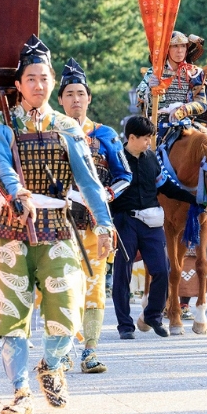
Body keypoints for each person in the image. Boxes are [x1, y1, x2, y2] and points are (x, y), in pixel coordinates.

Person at [0, 35, 114, 414]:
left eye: (44, 78)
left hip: (57, 225)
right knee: (11, 315)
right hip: (13, 225)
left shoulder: (67, 126)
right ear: (19, 84)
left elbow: (88, 180)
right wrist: (16, 190)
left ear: (52, 82)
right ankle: (20, 391)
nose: (38, 85)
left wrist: (104, 225)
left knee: (66, 308)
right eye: (31, 79)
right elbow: (0, 163)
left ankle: (52, 366)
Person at [57, 58, 133, 374]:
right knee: (60, 286)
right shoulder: (50, 131)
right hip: (59, 225)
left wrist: (106, 195)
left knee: (94, 287)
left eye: (81, 93)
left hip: (95, 226)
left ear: (89, 98)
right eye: (69, 94)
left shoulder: (105, 134)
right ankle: (61, 350)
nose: (76, 99)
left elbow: (124, 175)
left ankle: (89, 351)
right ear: (59, 99)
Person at [109, 116, 195, 340]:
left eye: (150, 138)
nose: (149, 142)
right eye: (145, 138)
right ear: (131, 138)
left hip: (152, 223)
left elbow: (165, 185)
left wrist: (193, 199)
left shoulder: (152, 159)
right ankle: (125, 325)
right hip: (124, 222)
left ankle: (153, 316)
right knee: (122, 273)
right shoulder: (115, 159)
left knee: (162, 270)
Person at [135, 31, 207, 136]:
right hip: (158, 124)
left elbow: (202, 104)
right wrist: (150, 88)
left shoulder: (195, 73)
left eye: (183, 46)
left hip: (186, 121)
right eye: (175, 46)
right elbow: (139, 96)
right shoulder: (153, 72)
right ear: (167, 50)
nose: (180, 51)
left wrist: (182, 110)